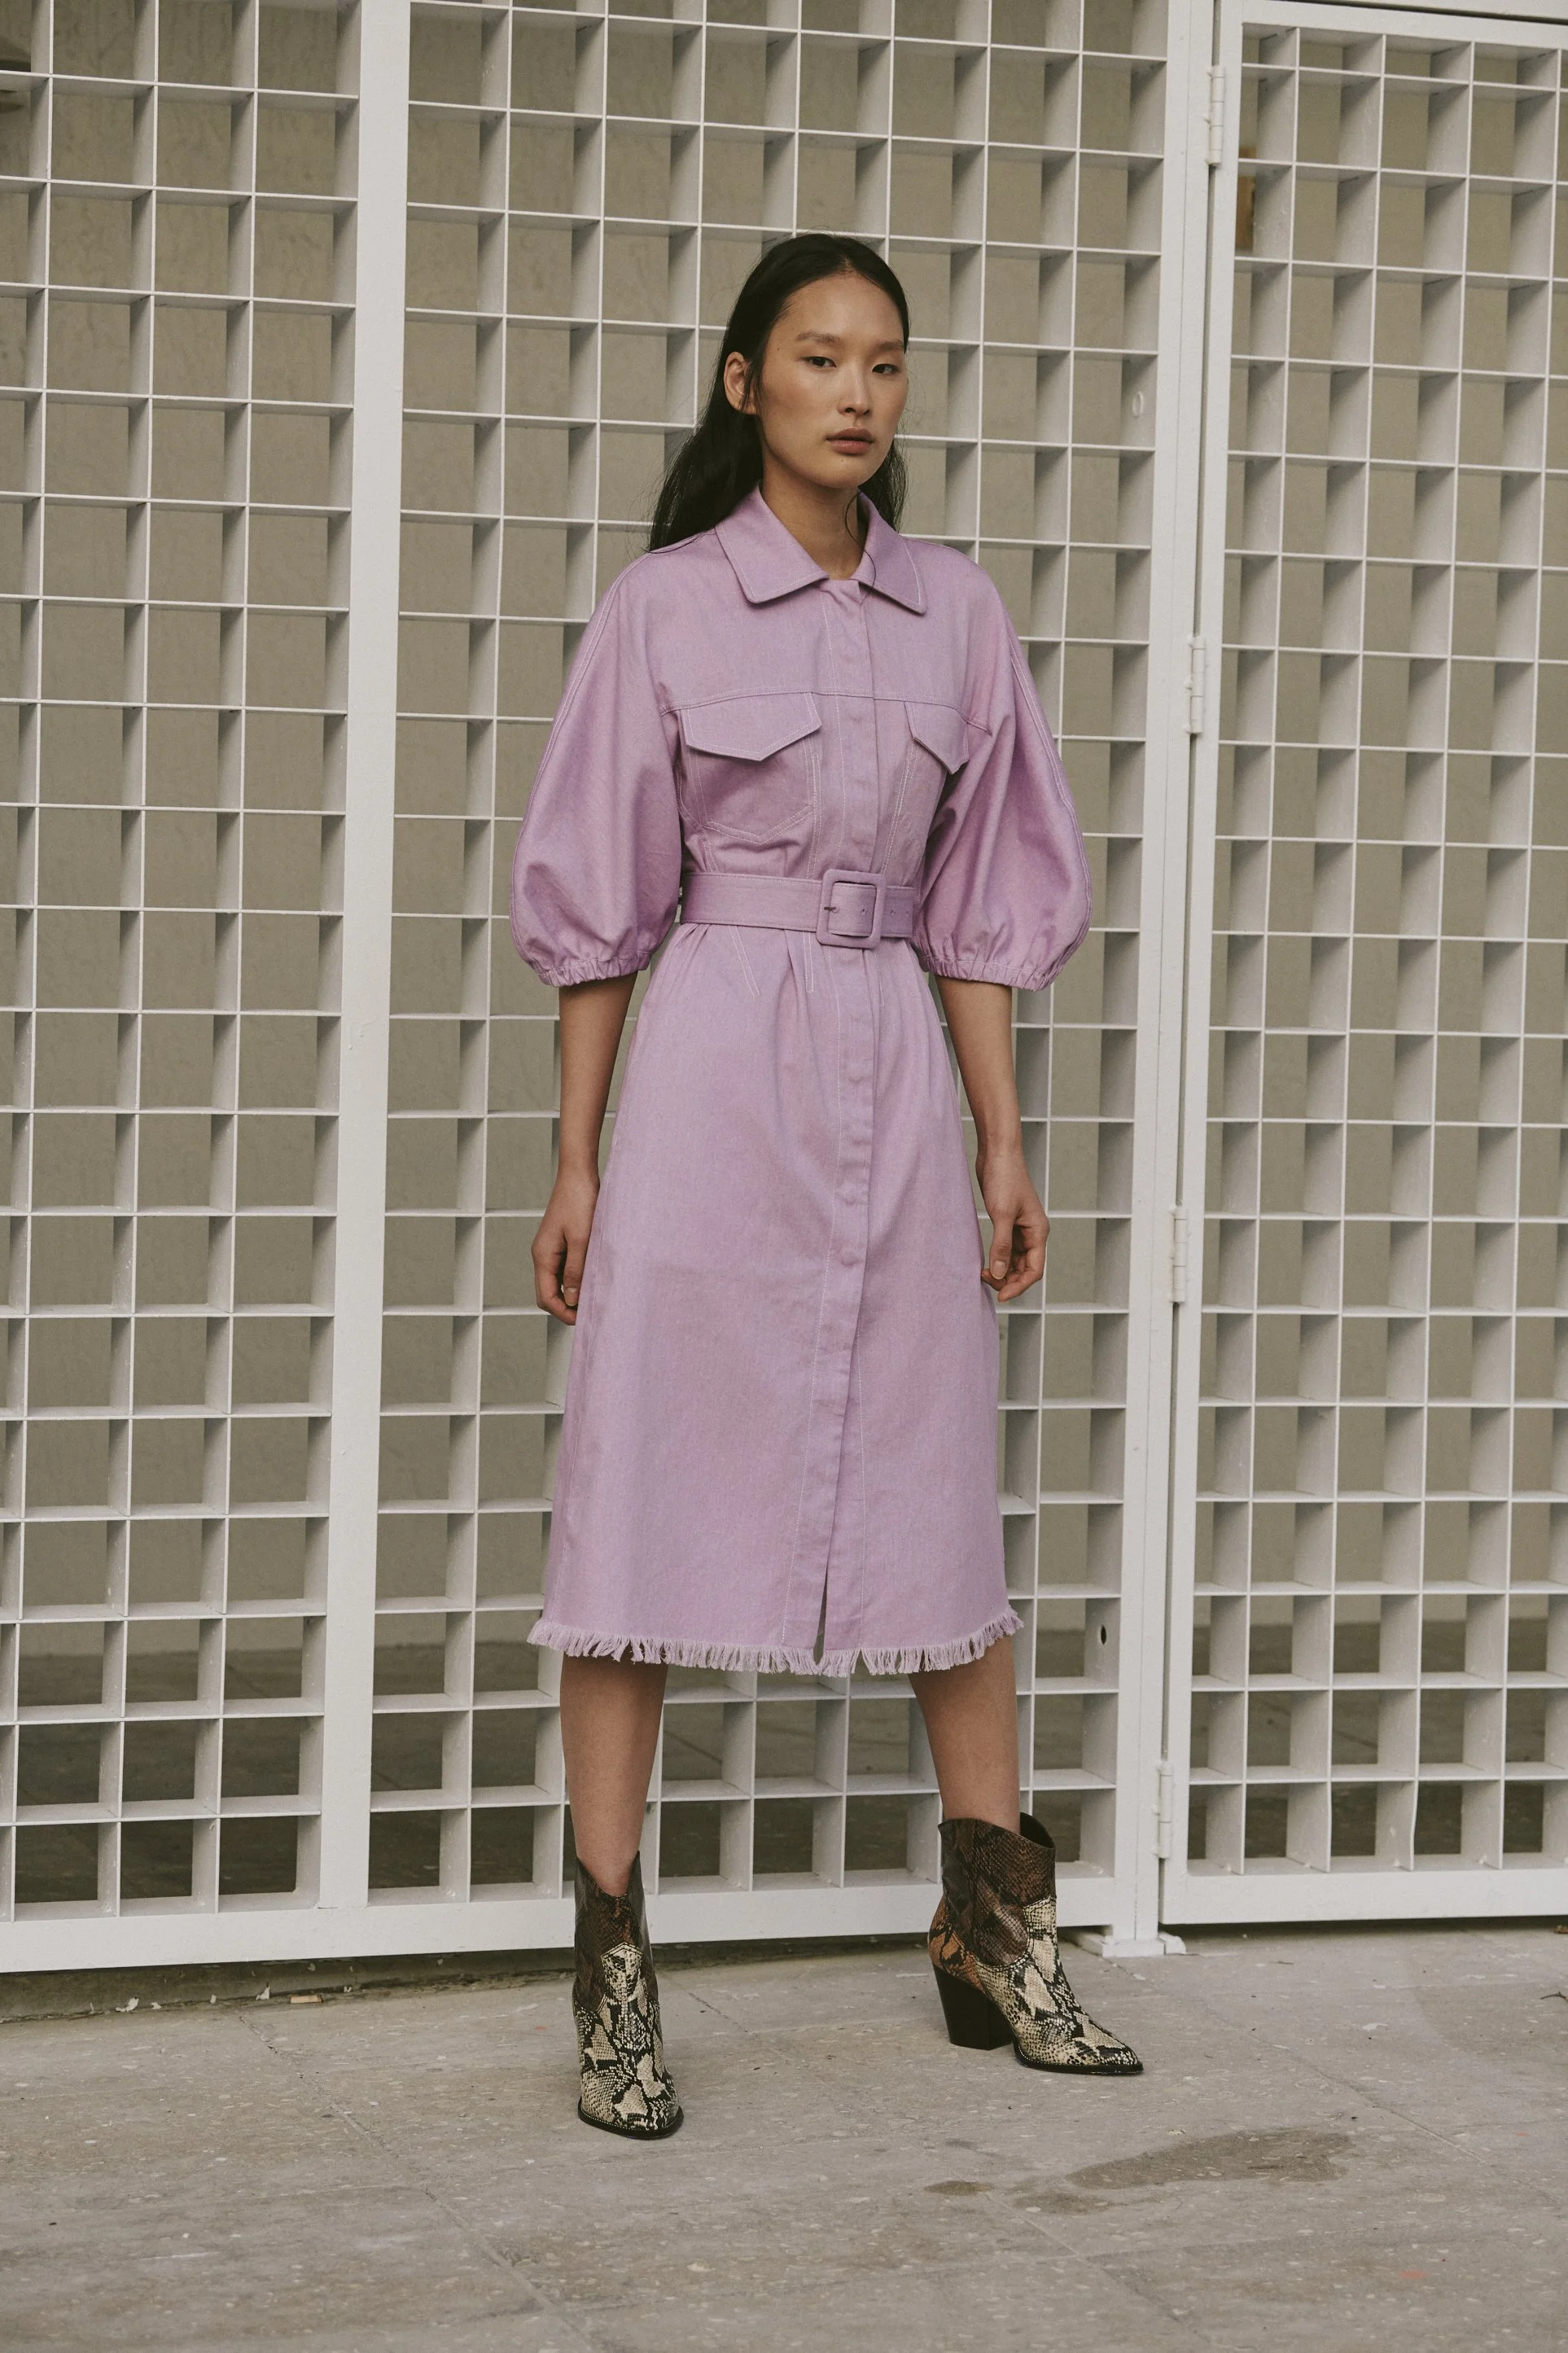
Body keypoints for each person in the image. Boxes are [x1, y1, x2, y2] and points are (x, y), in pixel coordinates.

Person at [510, 233, 1141, 2139]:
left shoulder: (958, 615)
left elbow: (976, 911)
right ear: (744, 386)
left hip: (895, 1064)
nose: (857, 391)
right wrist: (575, 1160)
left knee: (943, 1504)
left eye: (885, 362)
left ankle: (993, 1926)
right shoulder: (665, 609)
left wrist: (1005, 1134)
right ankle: (614, 1961)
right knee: (640, 1496)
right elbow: (605, 910)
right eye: (818, 358)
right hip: (711, 1068)